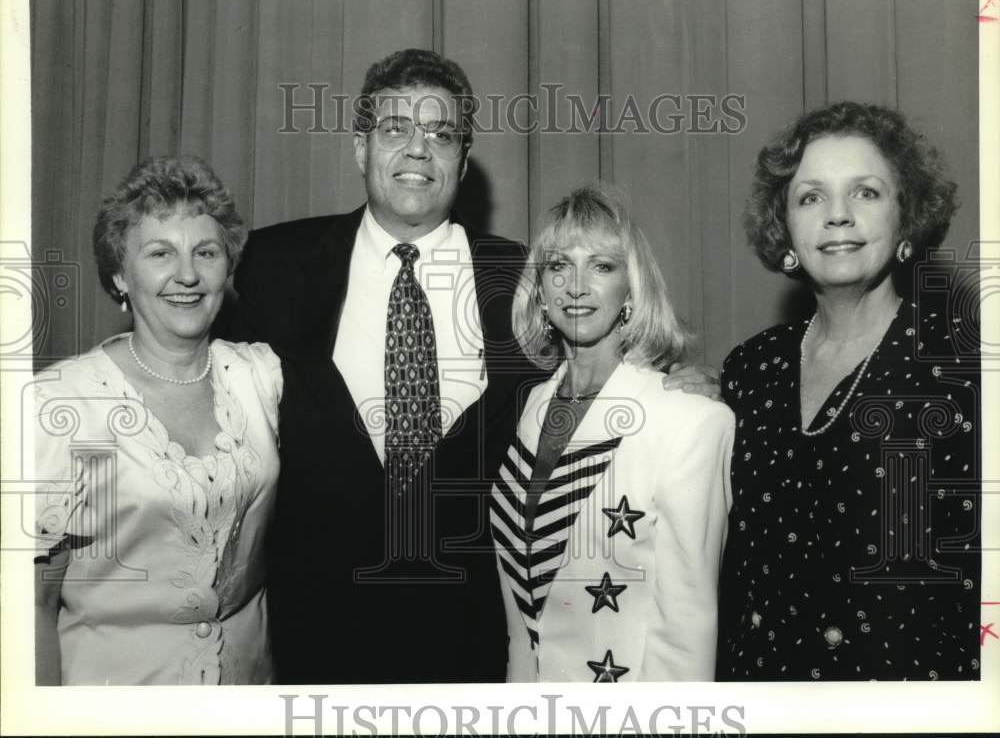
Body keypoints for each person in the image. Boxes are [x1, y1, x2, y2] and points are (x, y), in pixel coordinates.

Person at [224, 48, 716, 683]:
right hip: (315, 639)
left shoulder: (523, 276)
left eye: (441, 134)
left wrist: (675, 379)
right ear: (360, 147)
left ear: (462, 157)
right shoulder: (275, 264)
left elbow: (593, 380)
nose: (418, 151)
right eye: (396, 129)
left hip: (474, 646)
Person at [716, 102, 981, 681]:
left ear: (906, 216)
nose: (838, 216)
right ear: (784, 229)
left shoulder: (966, 370)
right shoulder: (750, 369)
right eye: (811, 197)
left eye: (865, 193)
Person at [33, 156, 282, 685]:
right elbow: (33, 601)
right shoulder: (63, 405)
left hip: (249, 693)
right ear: (120, 274)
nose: (187, 275)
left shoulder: (259, 375)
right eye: (160, 253)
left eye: (206, 253)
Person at [492, 184, 734, 682]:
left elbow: (687, 628)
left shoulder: (689, 419)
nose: (575, 286)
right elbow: (524, 617)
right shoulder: (534, 407)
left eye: (601, 266)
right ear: (539, 289)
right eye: (559, 265)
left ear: (632, 288)